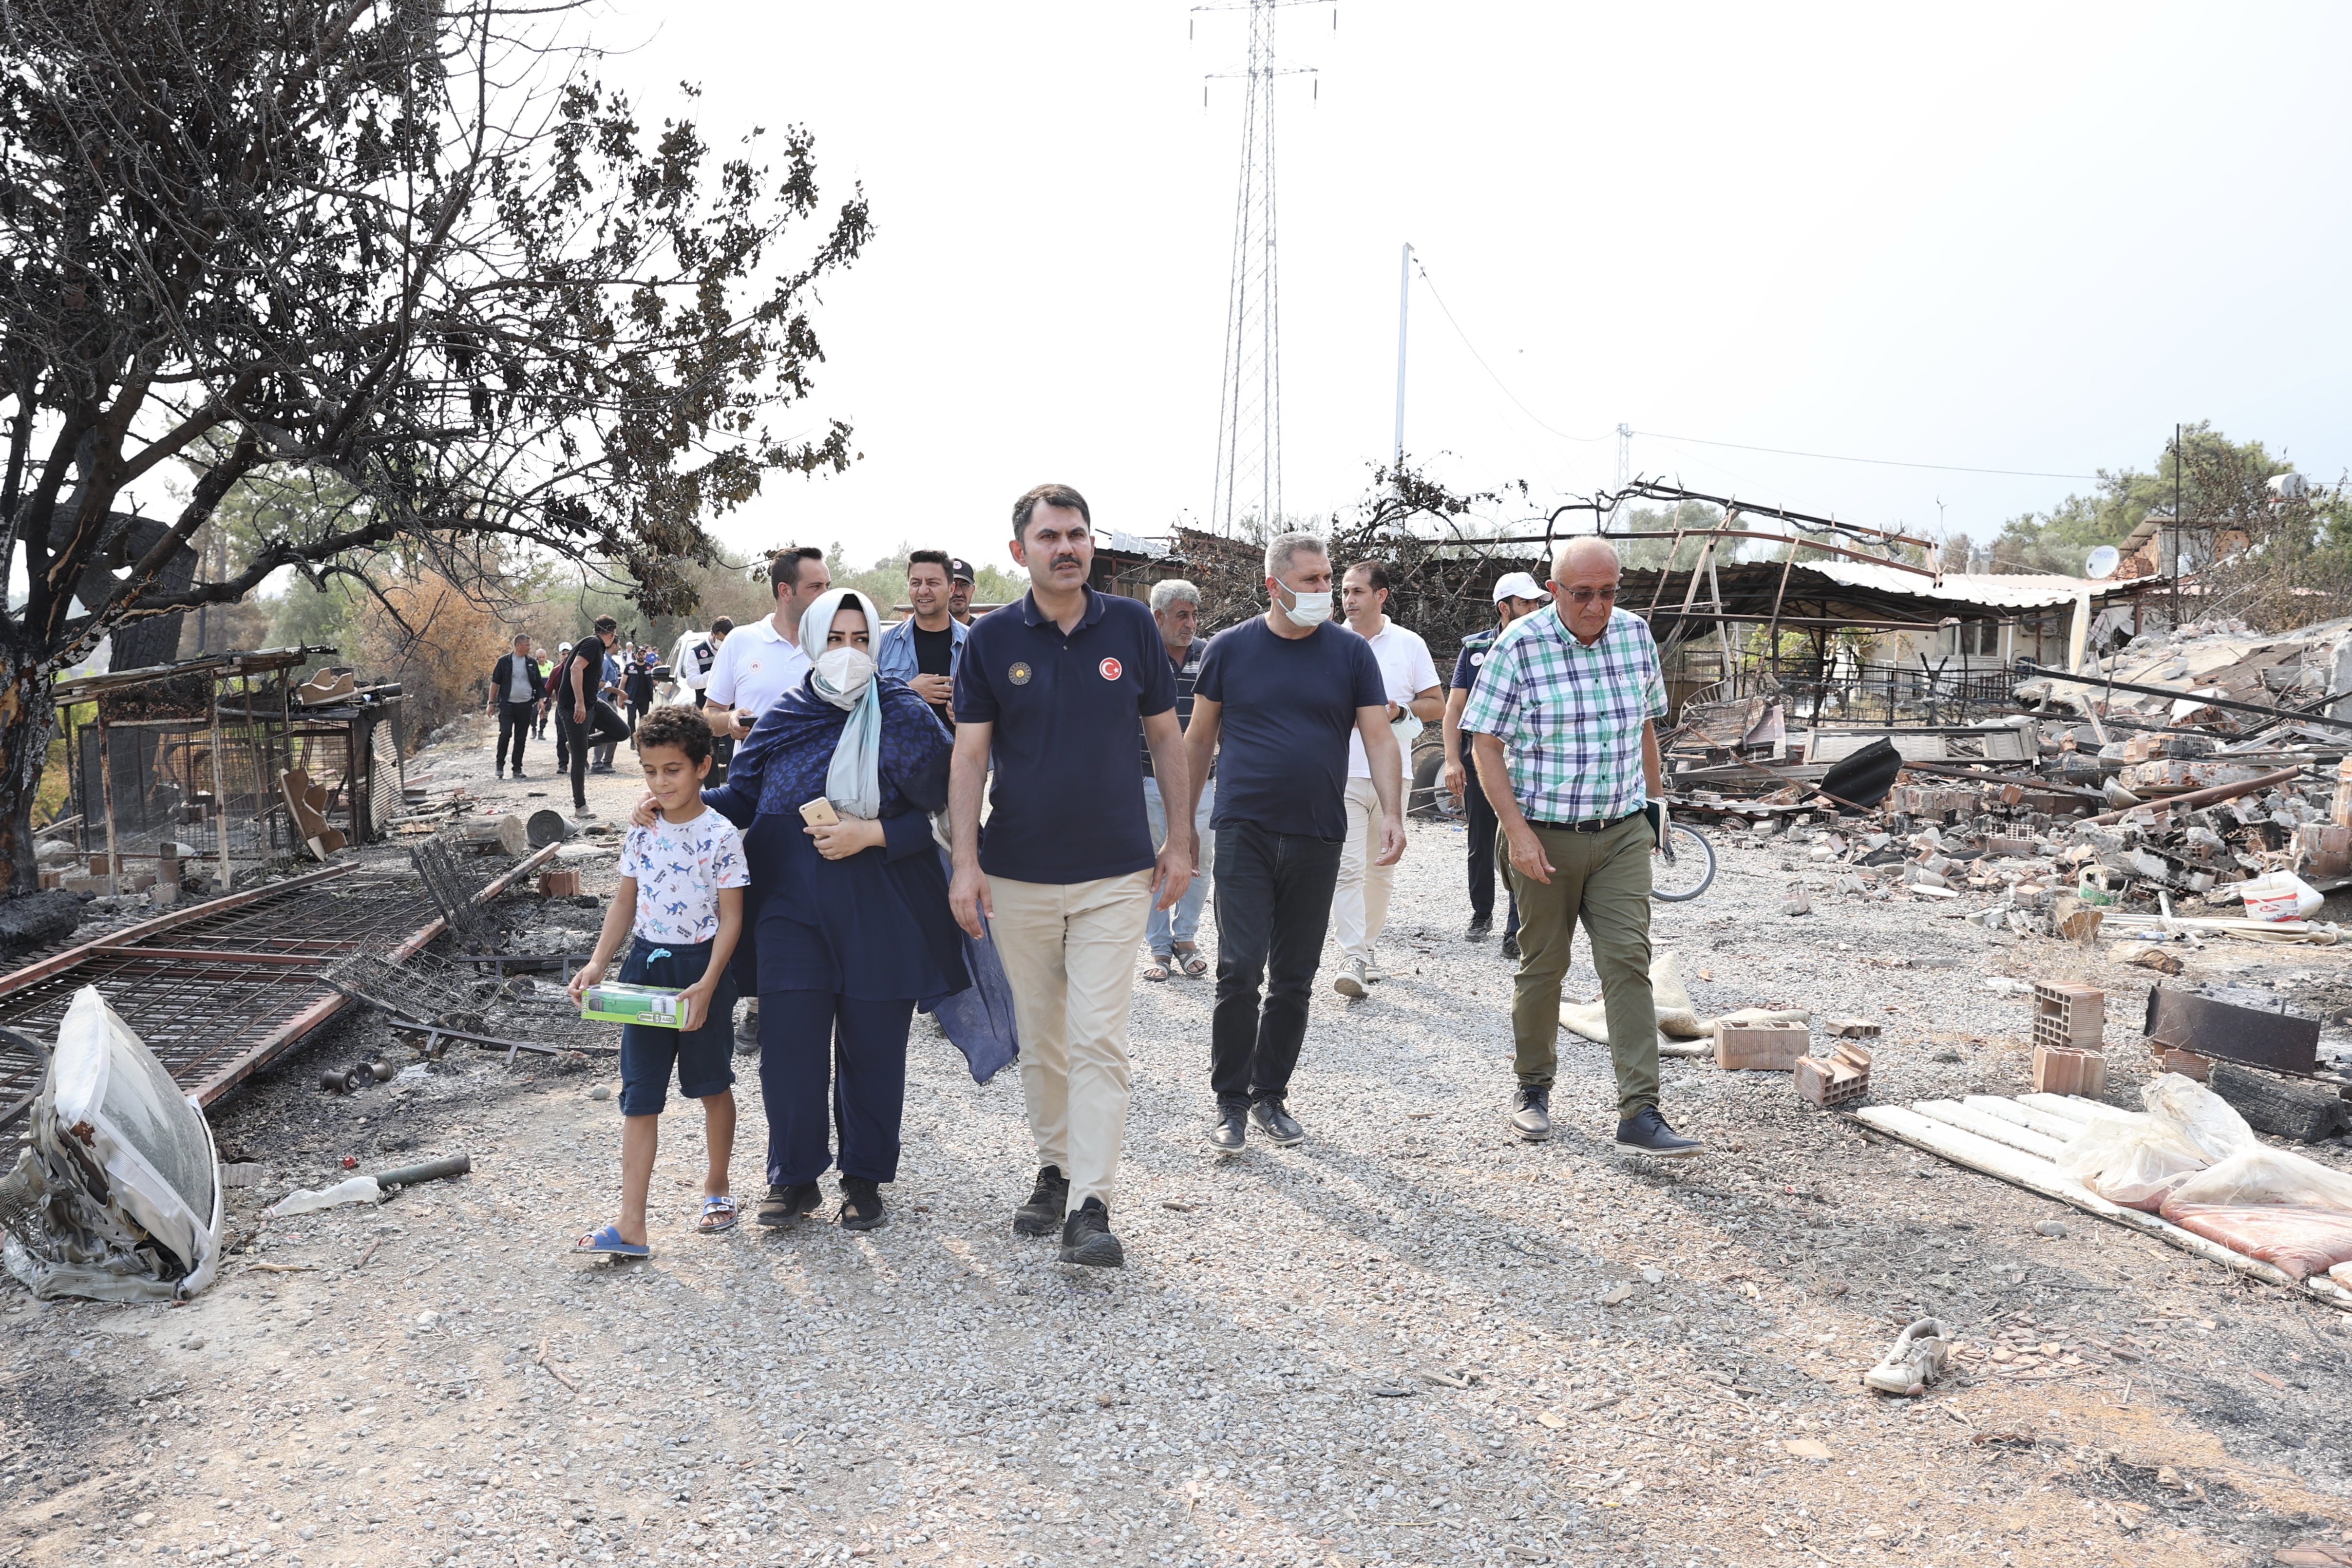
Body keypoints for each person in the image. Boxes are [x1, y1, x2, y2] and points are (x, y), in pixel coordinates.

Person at [949, 483, 1190, 1268]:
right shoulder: (988, 640)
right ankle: (1052, 1167)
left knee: (1097, 1035)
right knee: (1044, 1036)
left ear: (1091, 545)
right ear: (1019, 550)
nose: (1067, 547)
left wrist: (1180, 839)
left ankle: (1092, 1202)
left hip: (1114, 874)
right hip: (1016, 871)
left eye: (1077, 534)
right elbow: (970, 755)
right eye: (1049, 535)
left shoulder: (1130, 627)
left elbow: (1166, 737)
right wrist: (965, 861)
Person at [695, 587, 967, 1233]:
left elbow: (942, 810)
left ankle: (864, 1178)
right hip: (791, 906)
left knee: (874, 1049)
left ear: (878, 643)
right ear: (815, 642)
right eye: (837, 639)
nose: (849, 652)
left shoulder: (903, 713)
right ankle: (792, 1178)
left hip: (883, 902)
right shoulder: (785, 713)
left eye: (862, 639)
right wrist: (679, 802)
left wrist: (871, 833)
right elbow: (743, 796)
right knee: (790, 1042)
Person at [1461, 537, 1699, 1157]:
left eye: (1608, 593)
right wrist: (1515, 833)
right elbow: (1484, 744)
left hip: (1620, 832)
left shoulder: (1633, 636)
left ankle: (1640, 1112)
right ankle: (1532, 1089)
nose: (1597, 607)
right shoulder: (1519, 645)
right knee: (1544, 967)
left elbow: (1646, 724)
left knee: (1627, 963)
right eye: (1582, 594)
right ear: (1554, 591)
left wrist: (1655, 810)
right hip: (1544, 836)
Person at [1180, 532, 1400, 1154]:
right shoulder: (1230, 650)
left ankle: (1270, 1094)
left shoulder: (1351, 655)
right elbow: (1198, 740)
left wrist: (1393, 813)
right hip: (1244, 829)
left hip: (1318, 831)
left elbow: (1380, 739)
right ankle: (1230, 1102)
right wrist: (1182, 827)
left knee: (1295, 977)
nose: (1325, 592)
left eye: (1328, 580)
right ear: (1274, 586)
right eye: (1311, 581)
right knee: (1239, 968)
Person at [566, 705, 749, 1256]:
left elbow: (733, 917)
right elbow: (625, 902)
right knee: (639, 1095)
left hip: (701, 972)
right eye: (649, 770)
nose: (660, 782)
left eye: (672, 769)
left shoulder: (721, 836)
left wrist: (711, 981)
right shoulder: (641, 832)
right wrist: (599, 963)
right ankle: (631, 1224)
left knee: (712, 1085)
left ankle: (716, 1187)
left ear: (703, 767)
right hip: (644, 969)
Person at [707, 547, 831, 1049]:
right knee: (755, 897)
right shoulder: (741, 642)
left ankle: (823, 999)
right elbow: (709, 712)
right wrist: (730, 722)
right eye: (816, 587)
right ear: (785, 591)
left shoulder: (834, 644)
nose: (826, 595)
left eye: (828, 585)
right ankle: (757, 1006)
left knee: (819, 899)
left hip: (825, 798)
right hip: (752, 796)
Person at [1328, 560, 1442, 998]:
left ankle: (1367, 949)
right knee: (1347, 867)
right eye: (1344, 592)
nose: (1348, 600)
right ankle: (1352, 956)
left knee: (1380, 869)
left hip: (1394, 774)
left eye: (1357, 591)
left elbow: (1437, 702)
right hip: (1340, 772)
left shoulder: (1410, 645)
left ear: (1382, 596)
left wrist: (1400, 709)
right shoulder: (1327, 641)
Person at [1445, 571, 1546, 956]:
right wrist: (1453, 758)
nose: (1535, 609)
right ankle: (1481, 913)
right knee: (1482, 839)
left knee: (1522, 836)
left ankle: (1514, 929)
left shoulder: (1544, 646)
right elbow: (1455, 705)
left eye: (1538, 602)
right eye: (1526, 603)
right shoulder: (1475, 649)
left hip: (1525, 760)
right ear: (1504, 608)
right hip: (1481, 760)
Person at [1138, 579, 1213, 982]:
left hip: (1201, 781)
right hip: (1148, 778)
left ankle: (1186, 939)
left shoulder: (1209, 655)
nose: (1191, 623)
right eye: (1182, 615)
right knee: (1155, 862)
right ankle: (1157, 946)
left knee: (1199, 861)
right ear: (1159, 617)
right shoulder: (1141, 656)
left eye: (1195, 615)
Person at [874, 548, 966, 727]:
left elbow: (1002, 705)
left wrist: (972, 716)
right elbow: (865, 705)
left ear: (951, 588)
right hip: (901, 753)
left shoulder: (975, 643)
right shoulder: (884, 644)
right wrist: (908, 691)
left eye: (932, 582)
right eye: (916, 583)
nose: (923, 590)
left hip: (960, 752)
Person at [555, 618, 633, 815]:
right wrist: (579, 703)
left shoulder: (598, 648)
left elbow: (594, 680)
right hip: (575, 707)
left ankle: (581, 743)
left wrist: (616, 691)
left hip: (592, 704)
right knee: (580, 760)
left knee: (622, 731)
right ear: (612, 633)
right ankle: (580, 806)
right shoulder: (593, 643)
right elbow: (575, 669)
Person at [485, 633, 544, 779]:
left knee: (521, 738)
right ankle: (500, 765)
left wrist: (541, 700)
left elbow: (537, 683)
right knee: (505, 733)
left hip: (525, 705)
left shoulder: (531, 663)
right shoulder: (504, 662)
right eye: (527, 645)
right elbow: (495, 683)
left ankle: (517, 768)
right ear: (518, 646)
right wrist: (491, 703)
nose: (530, 648)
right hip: (507, 705)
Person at [624, 649, 657, 745]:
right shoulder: (629, 667)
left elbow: (655, 682)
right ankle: (632, 738)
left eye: (644, 654)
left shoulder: (649, 667)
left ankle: (640, 740)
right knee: (631, 718)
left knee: (643, 720)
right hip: (631, 699)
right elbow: (623, 683)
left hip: (645, 699)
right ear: (635, 655)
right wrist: (620, 697)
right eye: (640, 654)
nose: (642, 656)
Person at [551, 642, 573, 765]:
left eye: (568, 653)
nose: (566, 656)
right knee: (562, 736)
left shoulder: (579, 668)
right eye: (563, 654)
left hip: (577, 707)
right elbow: (549, 687)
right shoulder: (556, 671)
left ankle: (580, 760)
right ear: (560, 656)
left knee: (578, 737)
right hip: (562, 708)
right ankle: (563, 763)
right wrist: (543, 703)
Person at [947, 558, 977, 625]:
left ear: (973, 590)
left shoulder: (982, 632)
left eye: (965, 585)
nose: (959, 593)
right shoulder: (931, 633)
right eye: (952, 586)